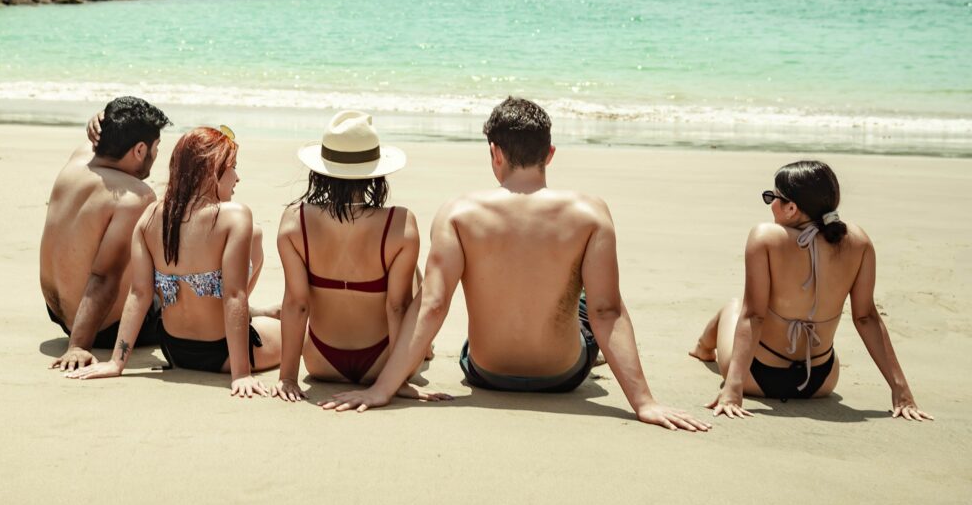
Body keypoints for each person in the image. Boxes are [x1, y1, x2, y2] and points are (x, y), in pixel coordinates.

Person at [323, 97, 709, 432]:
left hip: (486, 372)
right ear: (550, 154)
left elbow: (433, 305)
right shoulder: (591, 213)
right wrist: (644, 403)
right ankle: (598, 354)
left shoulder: (458, 213)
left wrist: (382, 389)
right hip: (563, 376)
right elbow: (607, 311)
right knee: (588, 299)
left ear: (495, 152)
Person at [691, 160, 932, 421]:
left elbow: (754, 316)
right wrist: (901, 390)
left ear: (791, 207)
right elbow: (866, 318)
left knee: (735, 306)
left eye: (773, 197)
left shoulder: (766, 237)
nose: (770, 204)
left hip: (756, 378)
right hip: (821, 382)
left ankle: (703, 348)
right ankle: (704, 347)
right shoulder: (858, 240)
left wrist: (733, 389)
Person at [67, 126, 279, 397]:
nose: (237, 177)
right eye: (233, 168)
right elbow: (234, 295)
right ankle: (249, 319)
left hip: (174, 350)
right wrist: (242, 374)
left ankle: (252, 314)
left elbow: (139, 294)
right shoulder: (235, 216)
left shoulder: (150, 217)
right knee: (301, 333)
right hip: (223, 355)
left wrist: (116, 362)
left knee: (255, 236)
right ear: (211, 171)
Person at [272, 111, 437, 403]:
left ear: (320, 170)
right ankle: (424, 351)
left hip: (320, 361)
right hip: (382, 363)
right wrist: (398, 381)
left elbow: (297, 304)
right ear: (376, 173)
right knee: (412, 274)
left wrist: (287, 378)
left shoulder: (294, 221)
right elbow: (397, 307)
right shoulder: (399, 224)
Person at [41, 96, 171, 371]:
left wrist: (103, 119)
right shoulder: (135, 197)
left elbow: (108, 129)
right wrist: (78, 346)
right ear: (139, 149)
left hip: (58, 311)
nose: (156, 154)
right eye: (156, 147)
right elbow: (104, 276)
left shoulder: (80, 157)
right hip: (102, 329)